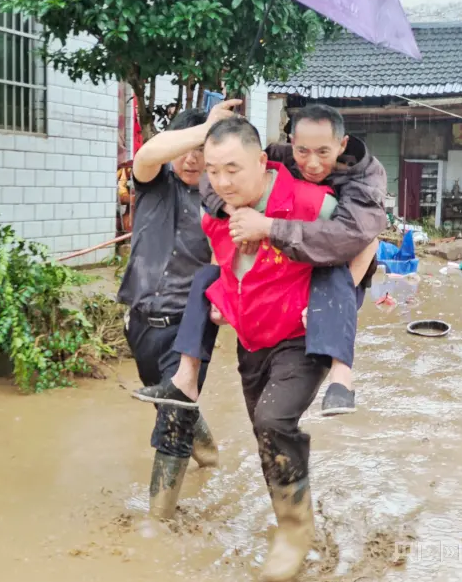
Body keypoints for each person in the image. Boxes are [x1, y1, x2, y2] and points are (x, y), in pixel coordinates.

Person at [137, 105, 386, 416]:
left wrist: (267, 227)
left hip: (343, 259)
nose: (311, 162)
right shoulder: (275, 156)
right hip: (289, 259)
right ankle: (185, 379)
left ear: (342, 145)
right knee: (205, 279)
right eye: (302, 150)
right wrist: (239, 214)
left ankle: (342, 377)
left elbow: (359, 239)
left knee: (332, 277)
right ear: (291, 141)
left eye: (323, 152)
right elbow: (214, 185)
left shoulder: (366, 179)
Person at [197, 117, 361, 581]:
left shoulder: (313, 203)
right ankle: (299, 518)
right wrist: (223, 302)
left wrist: (338, 299)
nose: (222, 182)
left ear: (262, 162)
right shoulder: (217, 209)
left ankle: (293, 532)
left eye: (233, 169)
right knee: (265, 434)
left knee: (274, 420)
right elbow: (222, 259)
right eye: (213, 171)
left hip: (301, 338)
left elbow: (362, 241)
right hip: (252, 340)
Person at [117, 100, 241, 519]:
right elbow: (148, 153)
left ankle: (157, 522)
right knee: (170, 406)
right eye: (187, 148)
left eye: (204, 152)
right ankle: (208, 455)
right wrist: (206, 128)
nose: (192, 159)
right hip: (139, 324)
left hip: (189, 326)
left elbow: (237, 260)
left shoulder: (221, 202)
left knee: (172, 420)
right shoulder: (152, 182)